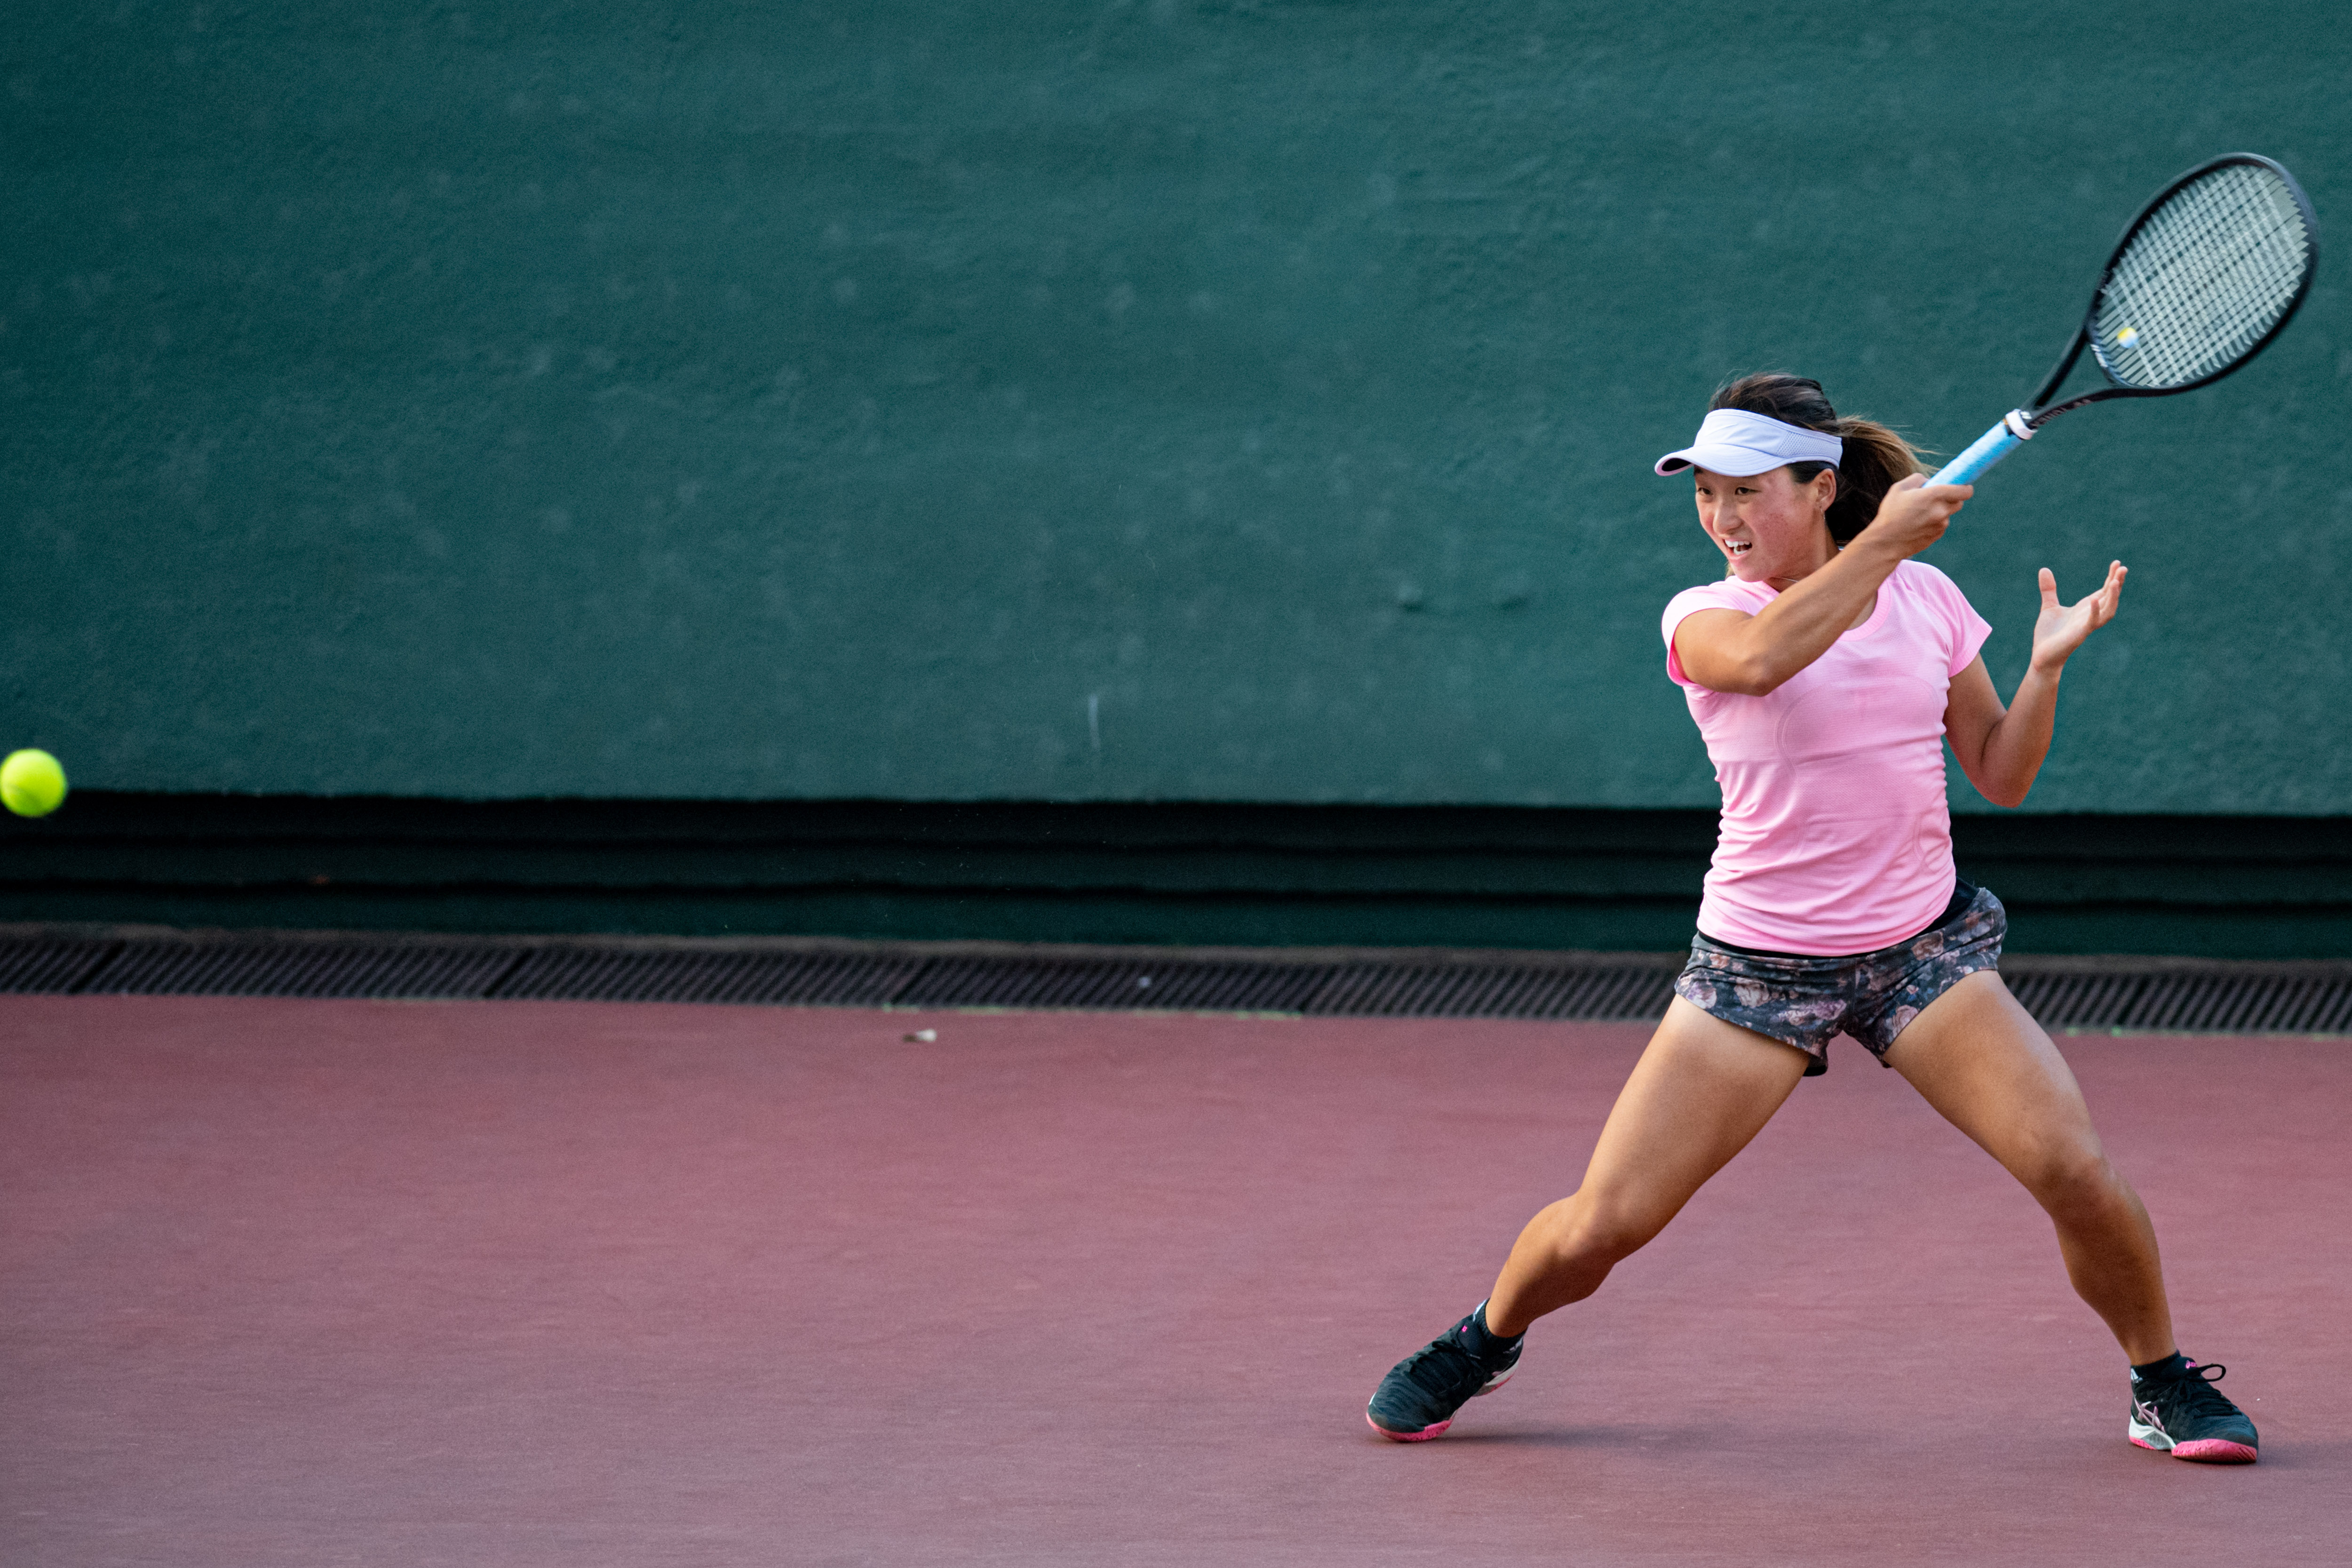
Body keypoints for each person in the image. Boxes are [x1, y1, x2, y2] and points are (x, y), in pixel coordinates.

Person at [1364, 374, 2259, 1464]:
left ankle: (2160, 1380)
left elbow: (2001, 772)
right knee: (1606, 1222)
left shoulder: (1926, 599)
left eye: (1747, 490)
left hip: (1921, 951)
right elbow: (1760, 661)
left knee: (2072, 1167)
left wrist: (2042, 669)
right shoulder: (1704, 614)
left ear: (1821, 487)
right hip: (1759, 967)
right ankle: (1487, 1335)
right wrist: (1880, 546)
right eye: (1705, 492)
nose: (1722, 516)